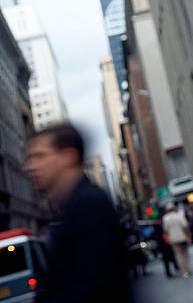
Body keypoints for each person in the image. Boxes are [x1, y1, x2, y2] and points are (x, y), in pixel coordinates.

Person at [25, 123, 131, 303]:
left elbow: (87, 289)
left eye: (39, 156)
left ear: (68, 156)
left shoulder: (88, 206)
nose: (29, 167)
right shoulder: (74, 205)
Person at [162, 203, 192, 278]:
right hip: (183, 237)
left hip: (173, 239)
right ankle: (187, 269)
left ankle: (184, 271)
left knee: (178, 255)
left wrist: (168, 238)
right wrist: (188, 237)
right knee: (185, 254)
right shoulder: (179, 216)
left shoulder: (165, 218)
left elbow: (165, 230)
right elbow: (185, 227)